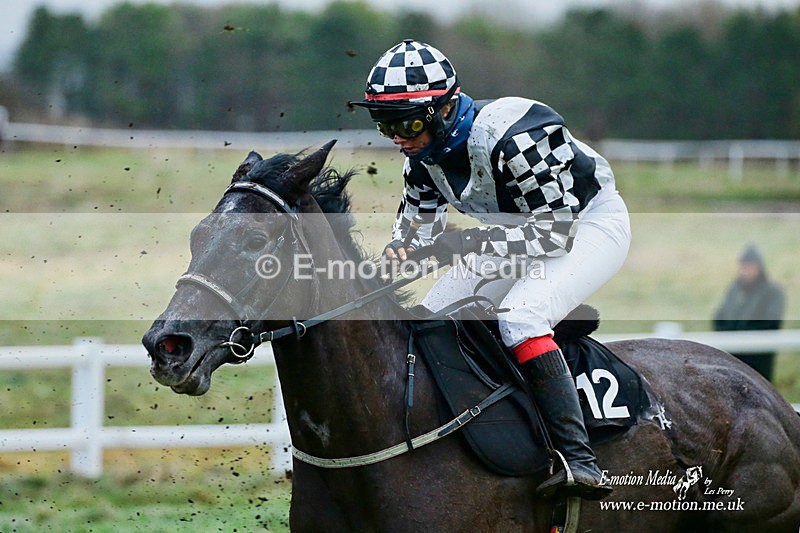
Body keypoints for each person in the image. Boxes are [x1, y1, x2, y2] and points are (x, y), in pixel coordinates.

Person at [352, 39, 631, 500]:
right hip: (515, 232)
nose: (397, 138)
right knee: (432, 316)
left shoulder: (517, 135)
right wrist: (381, 271)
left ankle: (577, 458)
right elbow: (413, 240)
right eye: (385, 125)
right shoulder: (422, 158)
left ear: (443, 109)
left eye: (405, 122)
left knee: (521, 316)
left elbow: (552, 237)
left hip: (586, 226)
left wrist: (460, 243)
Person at [713, 243, 786, 382]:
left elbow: (771, 323)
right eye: (743, 266)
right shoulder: (734, 288)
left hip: (759, 361)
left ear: (759, 266)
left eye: (749, 266)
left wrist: (742, 335)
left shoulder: (772, 291)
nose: (744, 271)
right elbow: (719, 316)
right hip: (731, 359)